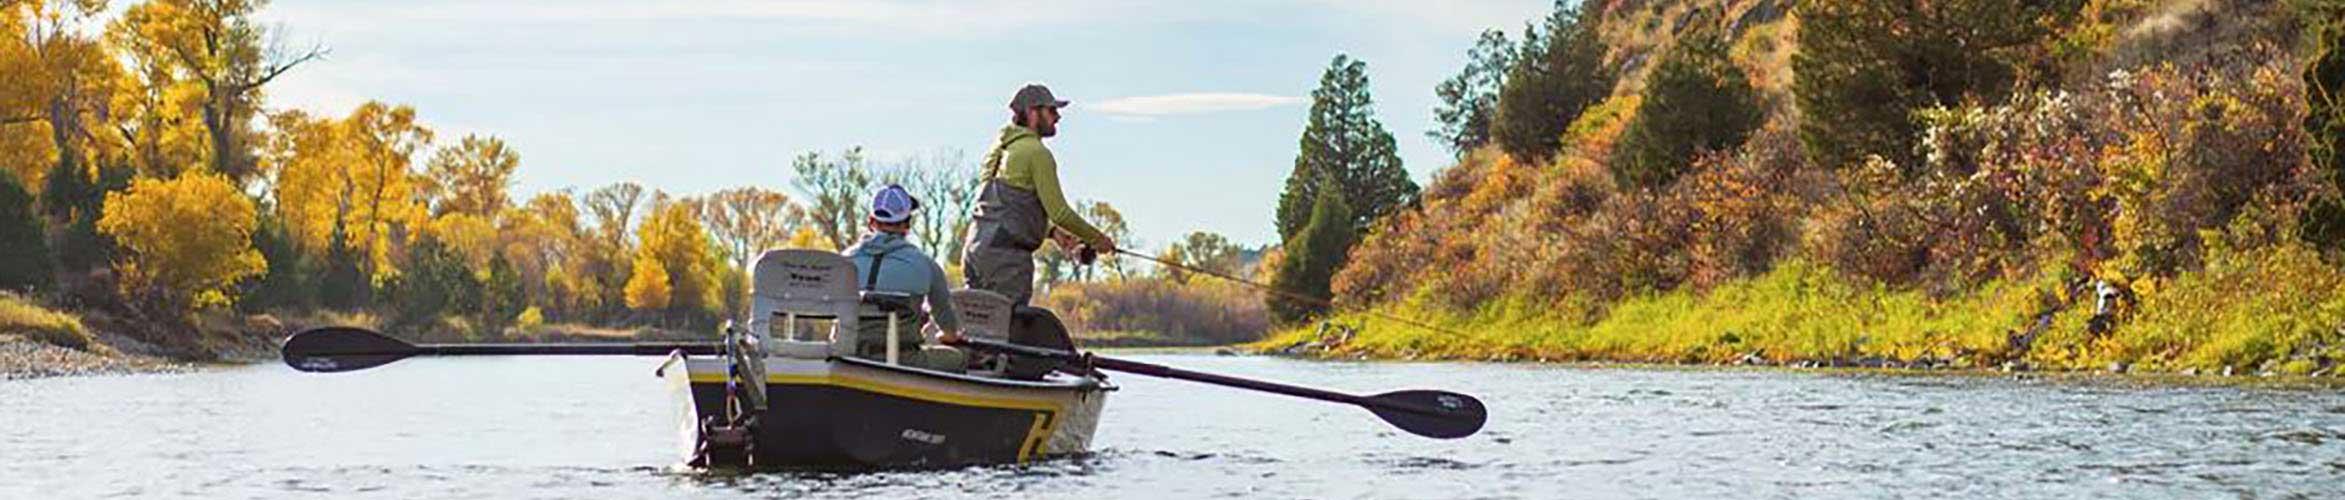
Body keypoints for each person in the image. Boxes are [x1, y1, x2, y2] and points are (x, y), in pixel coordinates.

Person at [962, 83, 1119, 307]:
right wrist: (1098, 239)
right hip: (1007, 263)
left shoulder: (998, 150)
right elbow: (1060, 212)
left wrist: (1051, 232)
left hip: (974, 253)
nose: (1058, 117)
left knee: (976, 327)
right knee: (1007, 329)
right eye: (1052, 110)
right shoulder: (1037, 153)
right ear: (1032, 113)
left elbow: (1002, 209)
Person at [843, 185, 966, 369]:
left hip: (847, 354)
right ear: (907, 225)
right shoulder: (926, 264)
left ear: (871, 221)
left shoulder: (843, 261)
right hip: (902, 357)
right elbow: (947, 323)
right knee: (957, 359)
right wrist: (949, 336)